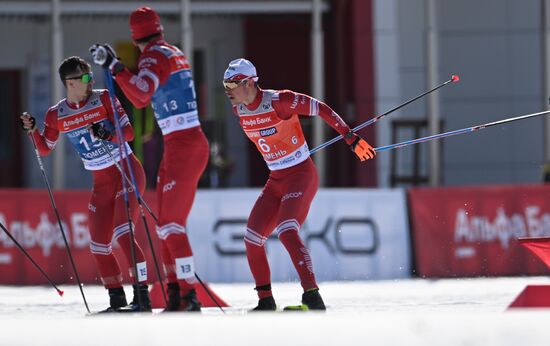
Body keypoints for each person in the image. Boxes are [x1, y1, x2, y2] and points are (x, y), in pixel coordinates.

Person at [222, 58, 376, 311]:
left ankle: (312, 296)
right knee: (251, 238)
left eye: (231, 83)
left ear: (249, 82)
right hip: (276, 178)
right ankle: (265, 301)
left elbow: (322, 108)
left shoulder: (280, 100)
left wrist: (350, 137)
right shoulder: (238, 108)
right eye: (224, 83)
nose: (227, 89)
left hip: (301, 174)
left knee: (286, 230)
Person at [89, 6, 209, 312]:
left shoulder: (153, 56)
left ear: (135, 35)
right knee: (165, 227)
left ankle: (188, 295)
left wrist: (115, 66)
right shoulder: (171, 51)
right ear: (159, 28)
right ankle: (176, 293)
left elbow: (141, 96)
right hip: (179, 143)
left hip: (184, 144)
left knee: (170, 225)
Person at [20, 56, 151, 312]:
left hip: (126, 171)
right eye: (85, 77)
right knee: (99, 245)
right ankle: (116, 298)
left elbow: (129, 133)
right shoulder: (56, 114)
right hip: (101, 182)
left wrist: (109, 132)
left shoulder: (102, 98)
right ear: (70, 83)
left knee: (123, 233)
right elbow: (45, 148)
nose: (90, 81)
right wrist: (34, 130)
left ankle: (142, 296)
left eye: (91, 76)